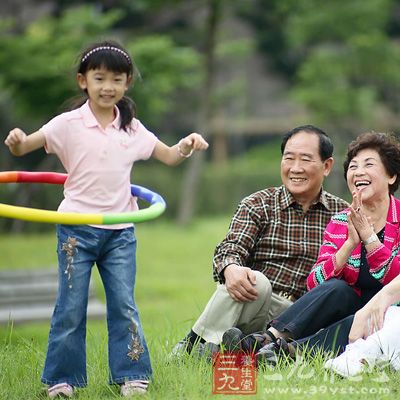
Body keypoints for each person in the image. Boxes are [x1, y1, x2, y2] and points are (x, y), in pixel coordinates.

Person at [4, 40, 208, 398]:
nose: (108, 87)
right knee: (70, 306)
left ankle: (132, 374)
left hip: (120, 233)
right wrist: (18, 141)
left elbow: (169, 156)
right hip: (75, 231)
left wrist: (186, 146)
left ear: (127, 83)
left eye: (117, 79)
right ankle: (61, 380)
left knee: (123, 304)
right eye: (100, 78)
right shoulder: (67, 124)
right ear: (83, 81)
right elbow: (26, 147)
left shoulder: (132, 129)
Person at [172, 125, 348, 357]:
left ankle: (227, 348)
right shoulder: (259, 203)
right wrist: (231, 268)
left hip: (301, 315)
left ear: (327, 166)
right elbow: (231, 247)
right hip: (255, 302)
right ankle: (195, 345)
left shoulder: (343, 215)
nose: (295, 168)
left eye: (305, 159)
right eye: (289, 158)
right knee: (256, 280)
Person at [230, 131, 400, 366]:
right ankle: (268, 339)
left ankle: (288, 353)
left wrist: (370, 239)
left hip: (389, 312)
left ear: (391, 176)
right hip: (347, 306)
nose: (358, 172)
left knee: (357, 318)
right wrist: (349, 244)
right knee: (338, 289)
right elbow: (315, 285)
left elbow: (394, 280)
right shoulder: (341, 221)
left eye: (368, 165)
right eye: (353, 167)